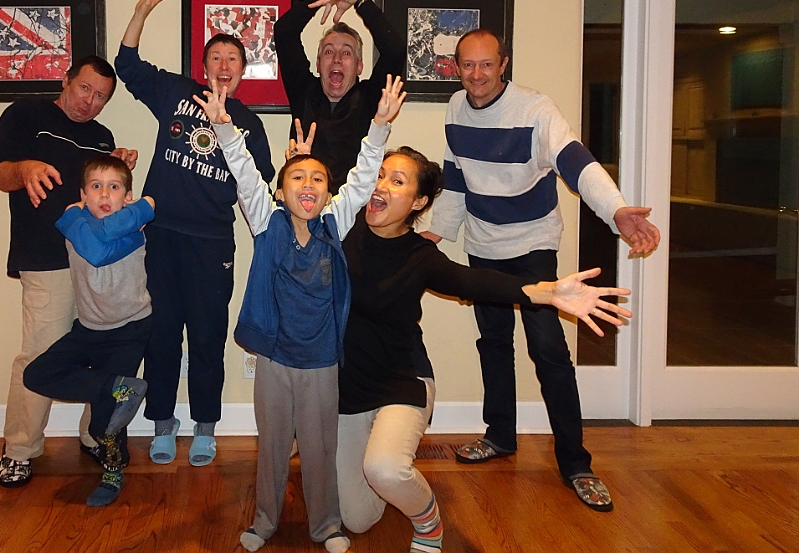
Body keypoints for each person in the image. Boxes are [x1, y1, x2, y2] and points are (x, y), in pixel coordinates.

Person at [337, 145, 632, 551]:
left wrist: (547, 291)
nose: (381, 186)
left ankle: (427, 521)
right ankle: (384, 462)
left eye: (397, 180)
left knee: (384, 469)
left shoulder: (420, 256)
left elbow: (476, 282)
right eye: (380, 175)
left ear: (418, 202)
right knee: (356, 518)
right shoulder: (342, 228)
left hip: (401, 381)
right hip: (349, 389)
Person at [422, 28, 660, 511]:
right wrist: (434, 235)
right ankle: (500, 435)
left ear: (503, 64)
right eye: (468, 64)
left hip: (533, 246)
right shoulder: (455, 109)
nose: (477, 74)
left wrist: (615, 209)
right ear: (456, 67)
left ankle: (576, 463)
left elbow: (576, 163)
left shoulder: (535, 111)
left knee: (548, 348)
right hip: (483, 244)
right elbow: (457, 181)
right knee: (493, 342)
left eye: (487, 64)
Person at [196, 75, 406, 553]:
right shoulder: (265, 221)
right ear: (279, 191)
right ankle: (264, 522)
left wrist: (378, 127)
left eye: (317, 179)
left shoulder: (335, 222)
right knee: (272, 446)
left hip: (321, 362)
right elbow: (244, 171)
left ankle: (326, 525)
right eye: (297, 177)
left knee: (319, 448)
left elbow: (362, 176)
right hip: (274, 359)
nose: (307, 184)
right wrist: (225, 128)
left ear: (329, 194)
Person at [114, 0, 274, 466]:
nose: (224, 65)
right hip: (161, 237)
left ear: (242, 71)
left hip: (212, 245)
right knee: (161, 335)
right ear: (203, 68)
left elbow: (257, 190)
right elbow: (127, 66)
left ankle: (206, 427)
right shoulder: (177, 93)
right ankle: (162, 424)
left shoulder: (250, 124)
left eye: (233, 59)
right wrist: (141, 12)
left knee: (207, 338)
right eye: (216, 58)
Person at [0, 55, 138, 488]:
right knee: (41, 354)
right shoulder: (26, 114)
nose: (89, 101)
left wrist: (115, 165)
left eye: (101, 97)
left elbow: (101, 197)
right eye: (84, 88)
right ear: (66, 80)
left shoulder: (101, 137)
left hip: (95, 263)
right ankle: (19, 449)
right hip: (45, 258)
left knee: (103, 352)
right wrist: (26, 169)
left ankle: (96, 435)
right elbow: (2, 176)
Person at [23, 154, 153, 507]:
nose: (105, 194)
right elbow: (96, 244)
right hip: (89, 329)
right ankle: (117, 387)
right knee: (36, 374)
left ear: (127, 197)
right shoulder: (77, 222)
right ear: (83, 195)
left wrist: (141, 210)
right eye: (96, 187)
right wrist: (143, 208)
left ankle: (113, 471)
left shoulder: (129, 229)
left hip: (129, 330)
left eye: (114, 187)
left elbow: (97, 250)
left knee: (103, 421)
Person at [276, 0, 405, 192]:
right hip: (302, 201)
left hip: (353, 206)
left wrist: (359, 1)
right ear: (318, 63)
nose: (336, 59)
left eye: (346, 52)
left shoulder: (371, 98)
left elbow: (395, 50)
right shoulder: (303, 91)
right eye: (328, 52)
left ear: (359, 66)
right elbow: (284, 32)